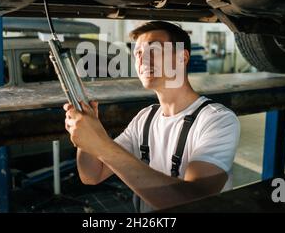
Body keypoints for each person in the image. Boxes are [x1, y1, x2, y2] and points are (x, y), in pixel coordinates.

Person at [63, 21, 240, 212]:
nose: (142, 59)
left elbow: (195, 202)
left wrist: (102, 145)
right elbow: (91, 175)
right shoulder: (145, 118)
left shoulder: (218, 120)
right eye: (138, 53)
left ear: (183, 58)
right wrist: (87, 136)